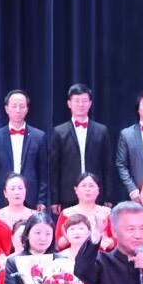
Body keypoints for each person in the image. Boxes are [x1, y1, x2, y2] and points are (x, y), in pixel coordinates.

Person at [48, 83, 113, 211]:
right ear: (69, 104)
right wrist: (55, 199)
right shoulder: (59, 132)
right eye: (76, 101)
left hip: (96, 194)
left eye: (84, 101)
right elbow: (54, 168)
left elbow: (107, 165)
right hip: (68, 195)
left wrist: (108, 196)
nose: (80, 104)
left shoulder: (101, 131)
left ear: (90, 104)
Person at [0, 89, 49, 211]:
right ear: (7, 109)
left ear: (27, 109)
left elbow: (43, 172)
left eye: (22, 106)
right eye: (14, 106)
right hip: (3, 198)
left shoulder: (39, 136)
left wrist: (42, 200)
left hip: (31, 198)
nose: (18, 110)